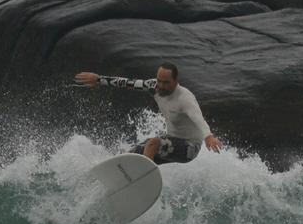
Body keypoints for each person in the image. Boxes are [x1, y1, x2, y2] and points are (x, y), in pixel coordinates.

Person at [74, 62, 222, 164]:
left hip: (189, 147)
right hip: (171, 139)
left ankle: (142, 179)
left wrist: (208, 137)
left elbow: (198, 119)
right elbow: (128, 83)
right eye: (159, 81)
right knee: (133, 152)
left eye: (166, 83)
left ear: (176, 81)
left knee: (153, 143)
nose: (161, 86)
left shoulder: (185, 98)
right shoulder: (154, 87)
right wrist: (99, 79)